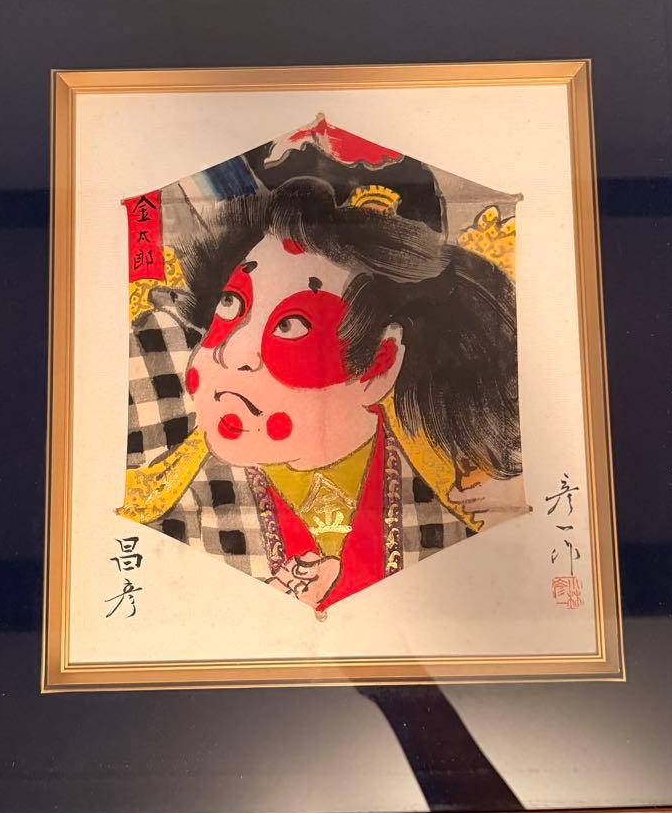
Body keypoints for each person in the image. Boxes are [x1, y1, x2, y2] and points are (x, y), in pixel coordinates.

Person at [120, 177, 527, 613]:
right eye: (232, 304)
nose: (230, 353)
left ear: (380, 363)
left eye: (290, 325)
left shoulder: (462, 505)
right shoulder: (168, 508)